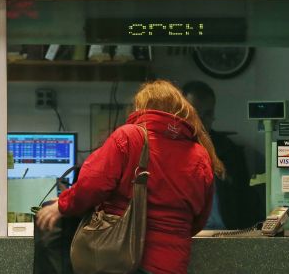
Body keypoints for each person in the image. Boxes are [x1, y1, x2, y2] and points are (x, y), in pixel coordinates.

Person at [37, 80, 222, 274]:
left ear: (142, 107)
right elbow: (200, 217)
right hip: (172, 264)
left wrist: (62, 205)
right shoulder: (200, 154)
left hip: (122, 260)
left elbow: (91, 185)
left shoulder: (129, 137)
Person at [182, 80, 261, 229]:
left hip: (224, 232)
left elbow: (245, 200)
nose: (202, 121)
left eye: (208, 114)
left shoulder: (228, 150)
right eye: (196, 114)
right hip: (185, 234)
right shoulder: (171, 149)